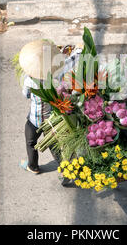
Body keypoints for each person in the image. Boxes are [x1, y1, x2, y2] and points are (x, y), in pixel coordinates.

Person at [18, 40, 82, 186]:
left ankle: (33, 166)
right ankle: (65, 170)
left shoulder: (29, 80)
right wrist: (77, 51)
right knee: (54, 146)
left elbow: (26, 95)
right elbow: (70, 62)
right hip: (51, 120)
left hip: (34, 120)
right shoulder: (55, 76)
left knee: (30, 142)